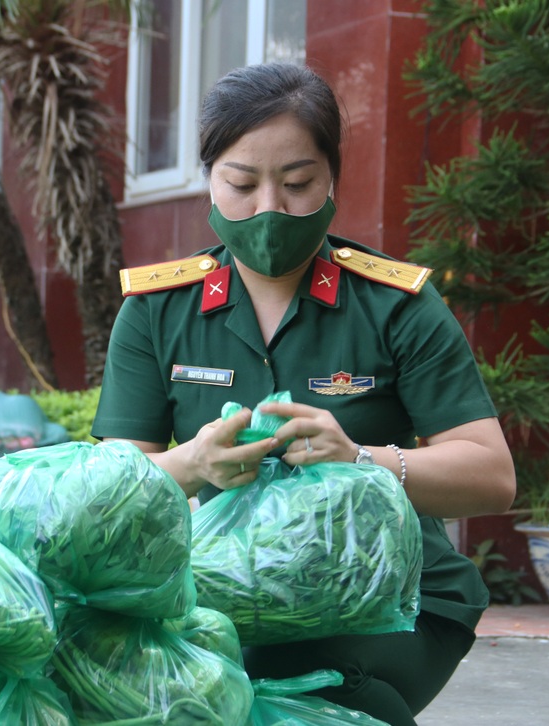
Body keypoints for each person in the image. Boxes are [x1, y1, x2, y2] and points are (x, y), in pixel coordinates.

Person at [91, 62, 516, 726]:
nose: (268, 209)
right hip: (223, 588)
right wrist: (192, 463)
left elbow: (490, 474)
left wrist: (359, 459)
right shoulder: (156, 311)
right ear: (210, 179)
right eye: (240, 183)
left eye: (296, 183)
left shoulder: (394, 305)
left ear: (331, 181)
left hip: (390, 593)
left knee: (297, 683)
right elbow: (116, 486)